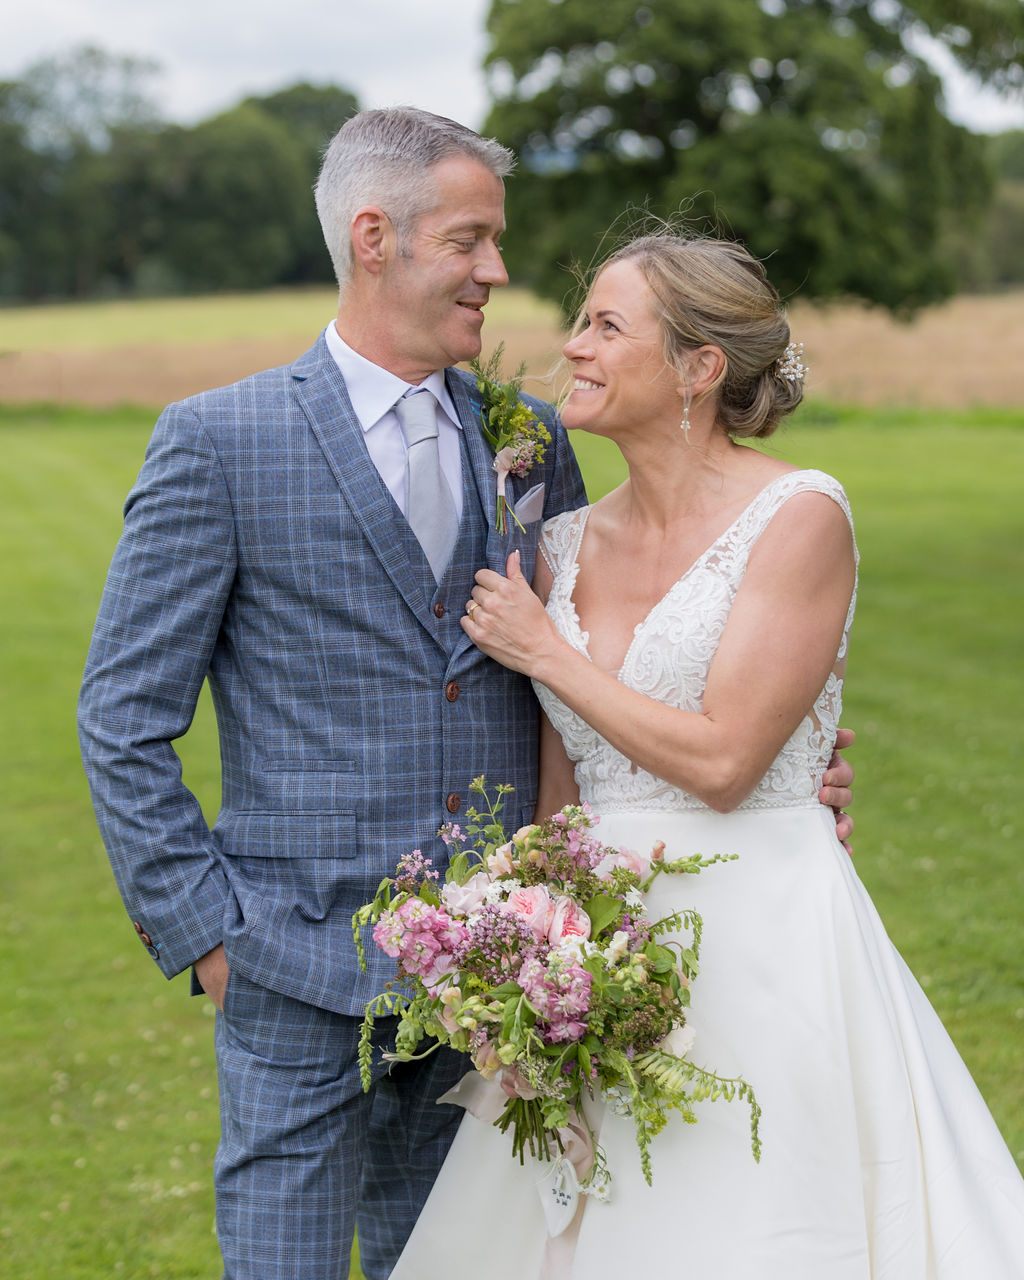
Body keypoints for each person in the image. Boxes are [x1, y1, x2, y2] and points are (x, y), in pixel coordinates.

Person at [77, 111, 853, 1279]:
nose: (498, 272)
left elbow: (592, 668)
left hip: (506, 984)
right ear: (375, 236)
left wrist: (787, 767)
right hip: (290, 966)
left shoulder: (533, 444)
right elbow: (122, 714)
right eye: (473, 240)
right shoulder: (218, 441)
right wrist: (204, 933)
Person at [392, 234, 1024, 1279]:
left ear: (698, 368)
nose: (573, 347)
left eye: (605, 324)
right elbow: (562, 789)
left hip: (766, 943)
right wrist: (533, 953)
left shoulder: (798, 514)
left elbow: (728, 759)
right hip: (597, 947)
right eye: (579, 320)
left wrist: (545, 647)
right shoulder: (558, 544)